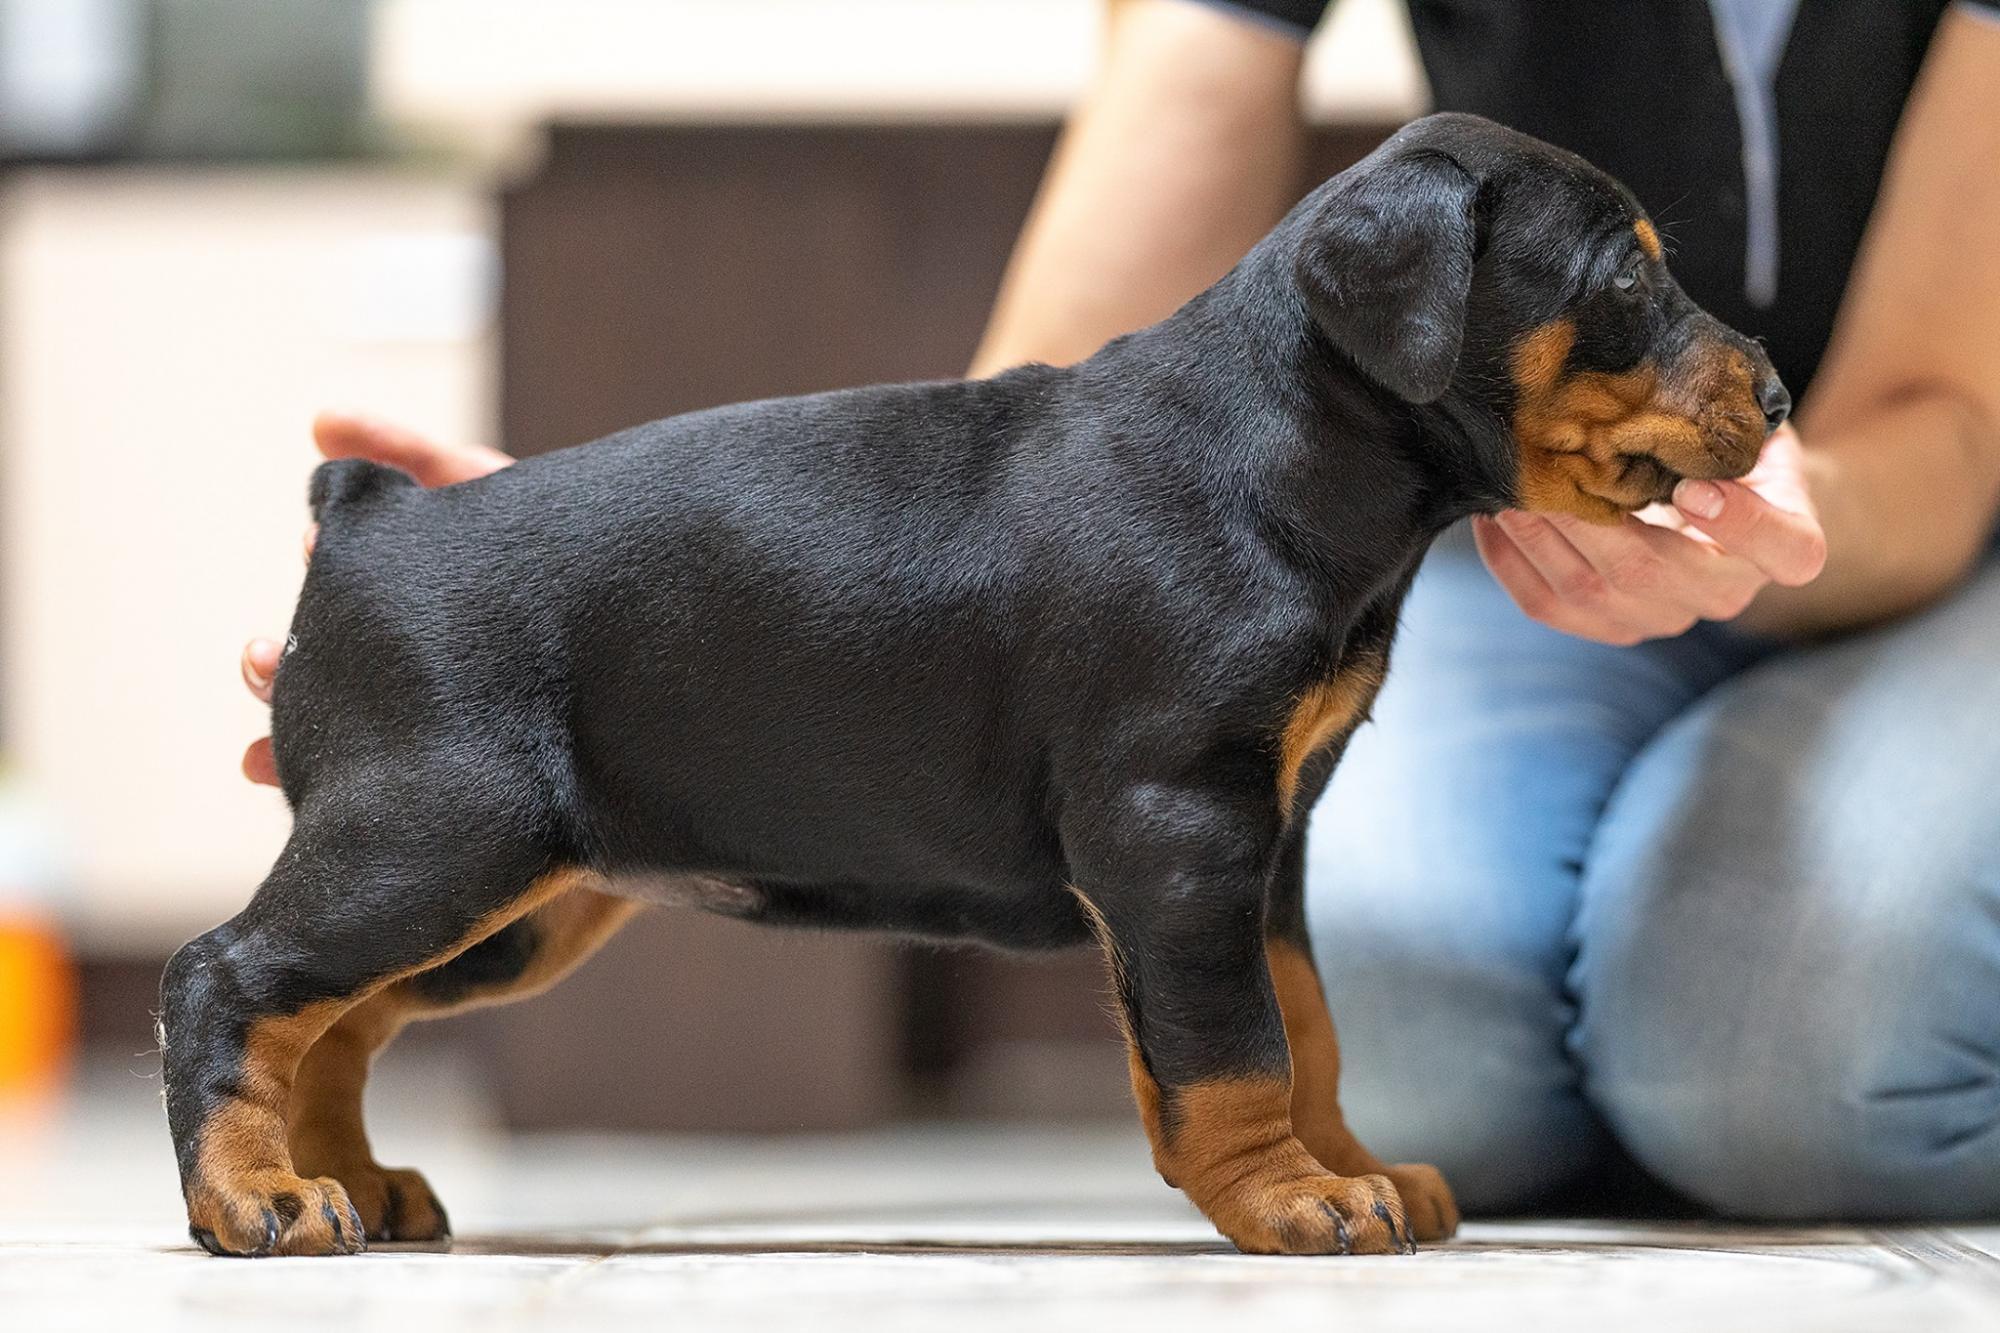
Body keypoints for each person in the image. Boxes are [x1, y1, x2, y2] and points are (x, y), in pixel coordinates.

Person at [240, 0, 2000, 1218]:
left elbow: (1946, 406)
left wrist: (1797, 518)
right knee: (1440, 1032)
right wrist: (626, 567)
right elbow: (1065, 371)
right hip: (1527, 548)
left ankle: (1676, 999)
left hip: (1928, 519)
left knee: (1794, 1057)